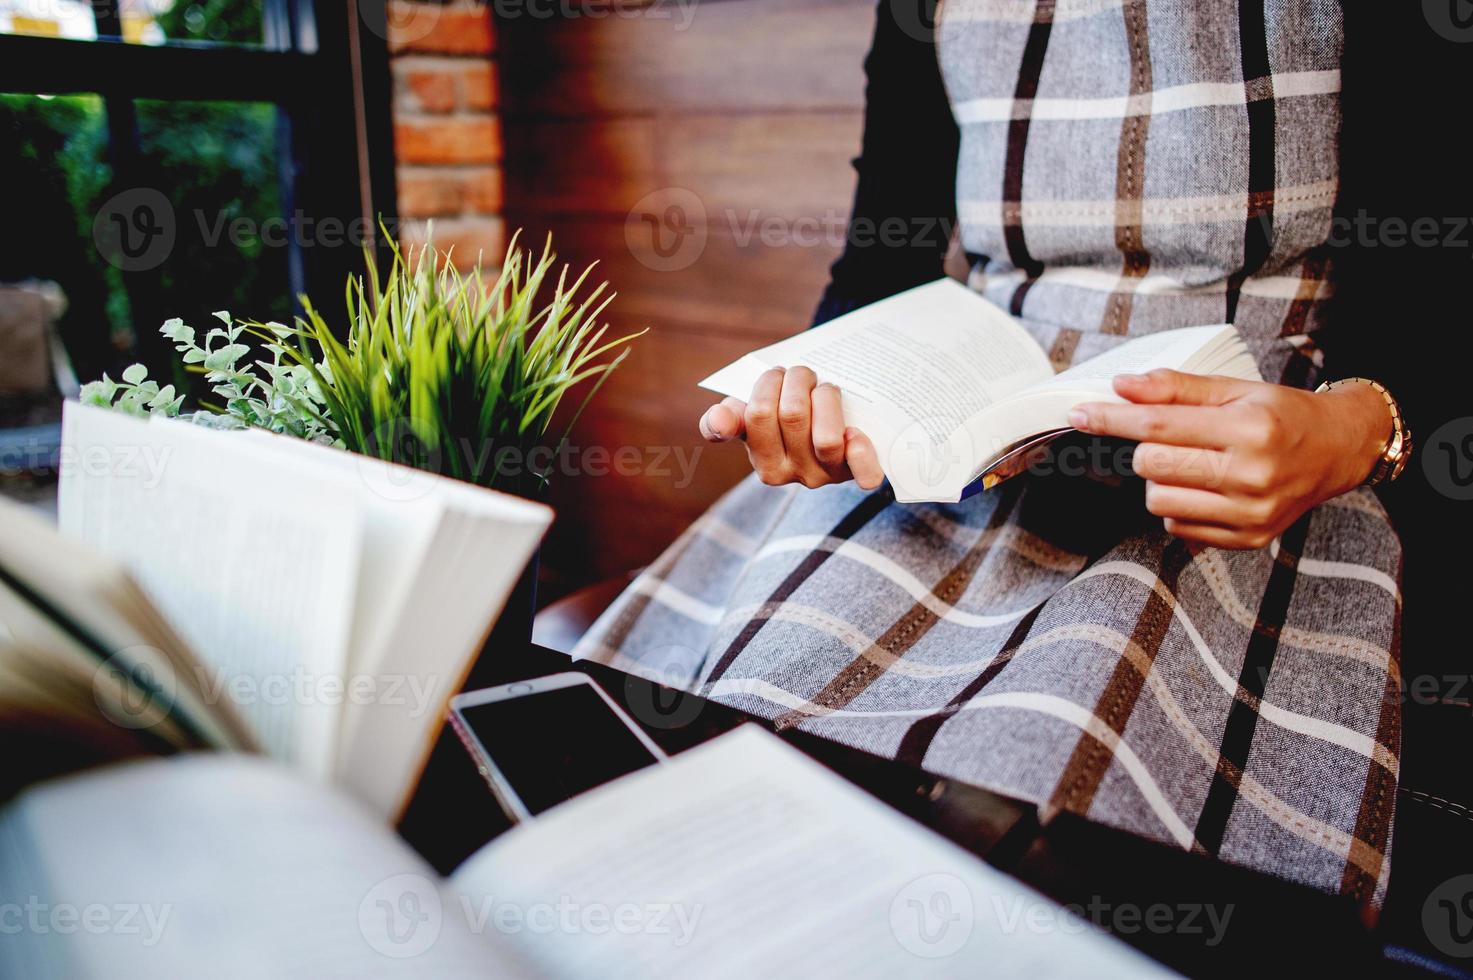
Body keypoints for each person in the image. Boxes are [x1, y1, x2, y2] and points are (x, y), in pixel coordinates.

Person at [576, 0, 1472, 923]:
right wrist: (823, 387)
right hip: (965, 435)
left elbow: (1436, 269)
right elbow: (880, 253)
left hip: (1247, 445)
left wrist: (1357, 427)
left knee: (1035, 814)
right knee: (729, 762)